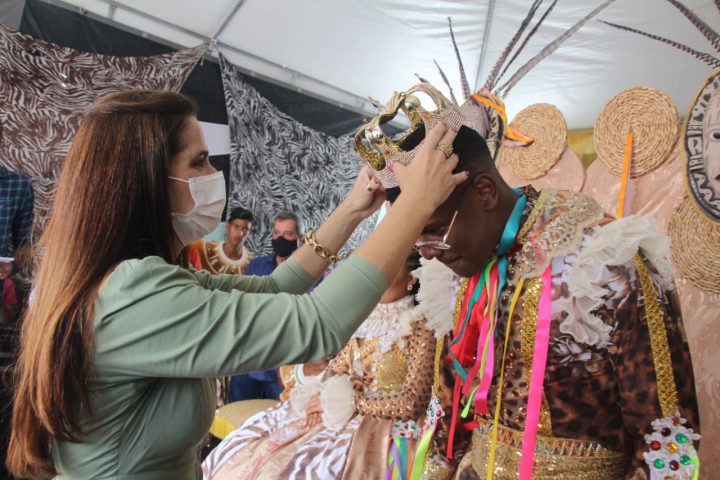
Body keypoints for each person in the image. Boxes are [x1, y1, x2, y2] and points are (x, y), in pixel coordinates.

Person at [7, 89, 466, 479]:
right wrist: (415, 204)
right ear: (146, 181)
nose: (214, 174)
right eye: (199, 161)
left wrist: (353, 209)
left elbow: (275, 289)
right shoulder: (130, 293)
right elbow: (318, 324)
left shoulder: (133, 279)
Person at [354, 82, 701, 479]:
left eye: (434, 231)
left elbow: (669, 439)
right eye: (417, 239)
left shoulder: (602, 260)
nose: (428, 253)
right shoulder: (451, 275)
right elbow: (447, 407)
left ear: (485, 192)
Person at [203, 251, 447, 479]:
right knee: (256, 453)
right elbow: (337, 367)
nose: (379, 275)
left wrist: (352, 403)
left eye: (390, 268)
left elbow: (412, 402)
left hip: (383, 428)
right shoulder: (363, 315)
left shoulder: (422, 327)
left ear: (412, 279)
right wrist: (324, 397)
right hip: (338, 411)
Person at [228, 211, 303, 403]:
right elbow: (241, 305)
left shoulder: (311, 274)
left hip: (283, 368)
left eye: (287, 234)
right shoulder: (257, 266)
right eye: (276, 233)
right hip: (247, 363)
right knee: (235, 415)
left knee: (280, 418)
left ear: (300, 238)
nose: (280, 238)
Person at [186, 206, 255, 275]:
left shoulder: (252, 263)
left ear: (249, 233)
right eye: (236, 227)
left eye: (245, 229)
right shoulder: (202, 248)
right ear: (228, 226)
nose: (240, 233)